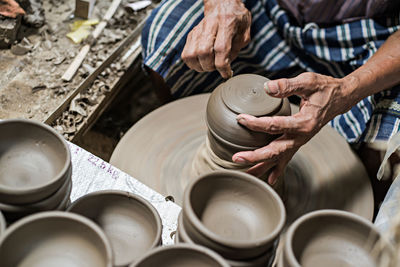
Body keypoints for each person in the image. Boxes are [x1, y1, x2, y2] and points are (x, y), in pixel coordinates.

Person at [141, 0, 400, 190]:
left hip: (373, 43)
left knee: (388, 158)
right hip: (273, 11)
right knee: (167, 34)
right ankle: (185, 130)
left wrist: (347, 89)